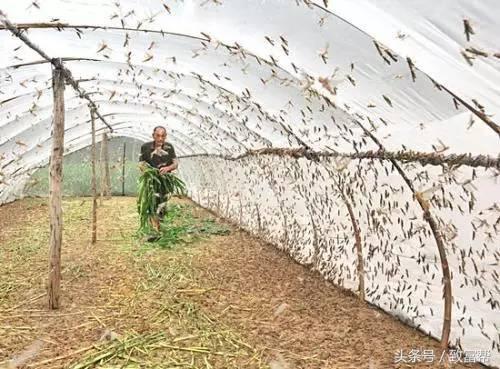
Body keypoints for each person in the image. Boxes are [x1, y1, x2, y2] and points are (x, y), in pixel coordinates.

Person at [139, 126, 178, 237]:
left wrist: (168, 168)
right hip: (151, 181)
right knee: (151, 203)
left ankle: (160, 227)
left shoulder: (169, 147)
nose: (160, 138)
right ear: (153, 136)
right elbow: (141, 163)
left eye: (163, 136)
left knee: (162, 204)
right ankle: (154, 230)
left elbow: (175, 163)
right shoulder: (145, 147)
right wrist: (148, 171)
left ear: (165, 136)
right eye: (158, 135)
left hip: (165, 182)